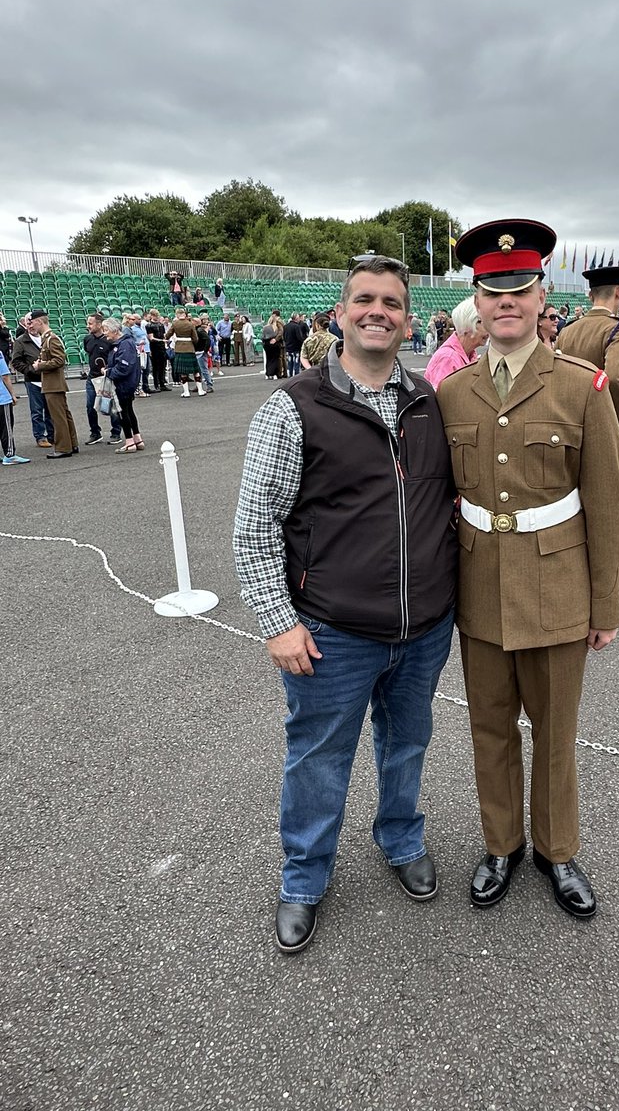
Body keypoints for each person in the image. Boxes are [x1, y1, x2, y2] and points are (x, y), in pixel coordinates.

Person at [233, 254, 457, 955]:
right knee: (319, 758)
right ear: (340, 313)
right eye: (365, 299)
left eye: (392, 302)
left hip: (423, 629)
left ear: (407, 317)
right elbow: (254, 525)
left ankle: (399, 838)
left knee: (408, 742)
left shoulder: (428, 402)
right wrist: (278, 623)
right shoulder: (292, 407)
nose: (378, 312)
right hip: (331, 630)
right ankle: (303, 877)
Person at [437, 219, 619, 920]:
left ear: (542, 293)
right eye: (493, 289)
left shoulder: (582, 387)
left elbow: (607, 503)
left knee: (554, 734)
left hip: (557, 585)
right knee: (489, 728)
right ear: (477, 301)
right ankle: (501, 844)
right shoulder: (452, 394)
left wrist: (606, 606)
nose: (506, 301)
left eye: (520, 287)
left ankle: (556, 850)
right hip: (479, 584)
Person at [556, 260, 619, 501]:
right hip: (606, 424)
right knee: (612, 501)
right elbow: (614, 379)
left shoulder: (568, 330)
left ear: (591, 295)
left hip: (569, 422)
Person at [30, 310, 79, 459]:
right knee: (64, 414)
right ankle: (72, 443)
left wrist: (40, 366)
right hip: (54, 383)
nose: (31, 326)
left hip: (53, 384)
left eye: (32, 323)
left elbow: (59, 360)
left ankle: (64, 448)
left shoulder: (51, 339)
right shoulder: (48, 338)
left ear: (40, 321)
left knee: (58, 417)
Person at [11, 314, 54, 448]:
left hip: (48, 379)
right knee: (36, 410)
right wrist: (30, 370)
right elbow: (16, 362)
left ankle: (52, 435)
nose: (30, 326)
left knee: (50, 409)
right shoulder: (21, 341)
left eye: (32, 323)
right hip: (33, 380)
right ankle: (40, 437)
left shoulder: (47, 338)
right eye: (27, 323)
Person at [101, 318, 144, 453]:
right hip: (126, 383)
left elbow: (124, 367)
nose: (104, 333)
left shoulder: (124, 344)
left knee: (122, 412)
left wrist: (108, 372)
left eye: (106, 330)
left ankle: (130, 442)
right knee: (128, 411)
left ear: (115, 330)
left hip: (123, 384)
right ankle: (137, 439)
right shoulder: (122, 343)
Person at [423, 297, 487, 388]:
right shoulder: (448, 358)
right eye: (480, 322)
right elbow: (442, 399)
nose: (488, 327)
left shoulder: (470, 354)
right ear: (465, 326)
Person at [83, 312, 123, 445]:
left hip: (106, 377)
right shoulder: (87, 339)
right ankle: (95, 432)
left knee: (111, 406)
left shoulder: (109, 340)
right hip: (92, 377)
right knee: (90, 406)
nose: (88, 326)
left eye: (90, 323)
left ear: (99, 324)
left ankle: (116, 432)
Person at [0, 351, 29, 464]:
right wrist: (12, 394)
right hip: (1, 398)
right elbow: (5, 376)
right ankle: (10, 454)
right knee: (6, 428)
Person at [165, 307, 200, 397]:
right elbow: (195, 338)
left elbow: (168, 335)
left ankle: (186, 392)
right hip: (190, 348)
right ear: (184, 314)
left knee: (183, 372)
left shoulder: (175, 324)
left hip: (179, 349)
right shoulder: (190, 324)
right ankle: (200, 390)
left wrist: (166, 338)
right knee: (196, 370)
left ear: (177, 314)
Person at [144, 309, 171, 392]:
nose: (157, 317)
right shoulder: (149, 325)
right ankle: (157, 384)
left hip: (162, 347)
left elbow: (163, 335)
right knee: (156, 366)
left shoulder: (160, 325)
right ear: (151, 316)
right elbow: (151, 338)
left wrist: (165, 341)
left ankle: (162, 384)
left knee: (162, 366)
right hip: (154, 347)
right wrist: (162, 340)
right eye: (155, 316)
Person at [283, 313, 307, 378]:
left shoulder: (285, 326)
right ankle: (296, 375)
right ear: (296, 318)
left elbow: (284, 337)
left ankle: (290, 374)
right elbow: (299, 337)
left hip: (288, 347)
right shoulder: (296, 327)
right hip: (296, 347)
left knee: (290, 362)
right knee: (296, 362)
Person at [262, 313, 282, 379]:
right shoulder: (278, 327)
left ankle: (268, 373)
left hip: (267, 345)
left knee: (268, 359)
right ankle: (273, 373)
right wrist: (275, 340)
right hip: (275, 345)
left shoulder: (265, 327)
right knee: (275, 359)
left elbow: (262, 337)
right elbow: (280, 334)